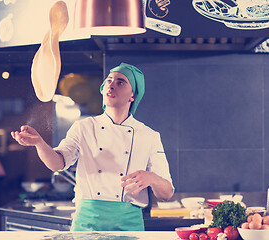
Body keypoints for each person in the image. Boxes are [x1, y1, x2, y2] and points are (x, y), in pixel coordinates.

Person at [11, 63, 174, 231]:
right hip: (87, 223)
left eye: (120, 82)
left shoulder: (148, 135)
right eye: (109, 80)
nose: (111, 85)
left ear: (132, 96)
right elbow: (58, 163)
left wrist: (153, 178)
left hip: (128, 225)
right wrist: (39, 143)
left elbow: (166, 194)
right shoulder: (83, 127)